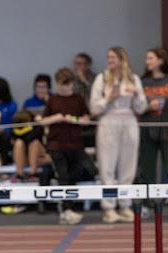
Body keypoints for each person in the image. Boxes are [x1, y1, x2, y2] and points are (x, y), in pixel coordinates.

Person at [90, 46, 147, 223]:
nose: (110, 60)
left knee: (128, 166)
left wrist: (137, 94)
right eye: (108, 57)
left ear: (122, 59)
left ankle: (125, 204)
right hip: (108, 121)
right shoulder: (101, 79)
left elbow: (141, 107)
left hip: (129, 121)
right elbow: (93, 107)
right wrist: (109, 98)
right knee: (107, 166)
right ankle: (109, 207)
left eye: (113, 57)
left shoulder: (133, 78)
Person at [40, 67, 92, 225]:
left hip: (75, 144)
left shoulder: (78, 99)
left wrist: (73, 120)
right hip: (56, 145)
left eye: (68, 85)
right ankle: (64, 210)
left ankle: (71, 207)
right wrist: (55, 118)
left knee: (73, 176)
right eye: (62, 85)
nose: (65, 88)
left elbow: (87, 120)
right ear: (57, 84)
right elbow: (43, 121)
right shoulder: (53, 100)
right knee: (62, 176)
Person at [139, 48, 168, 219]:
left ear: (160, 60)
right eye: (147, 58)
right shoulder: (143, 81)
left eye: (151, 58)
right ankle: (146, 204)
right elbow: (137, 107)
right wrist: (148, 107)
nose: (147, 61)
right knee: (146, 169)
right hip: (148, 130)